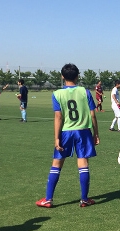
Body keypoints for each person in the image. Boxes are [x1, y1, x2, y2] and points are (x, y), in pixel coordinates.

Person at [36, 63, 99, 208]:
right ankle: (84, 199)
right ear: (78, 76)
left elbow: (58, 117)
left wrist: (57, 138)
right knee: (83, 164)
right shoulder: (85, 92)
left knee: (57, 164)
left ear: (62, 77)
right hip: (83, 131)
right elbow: (92, 115)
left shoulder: (57, 94)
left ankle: (48, 199)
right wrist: (96, 133)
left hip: (65, 132)